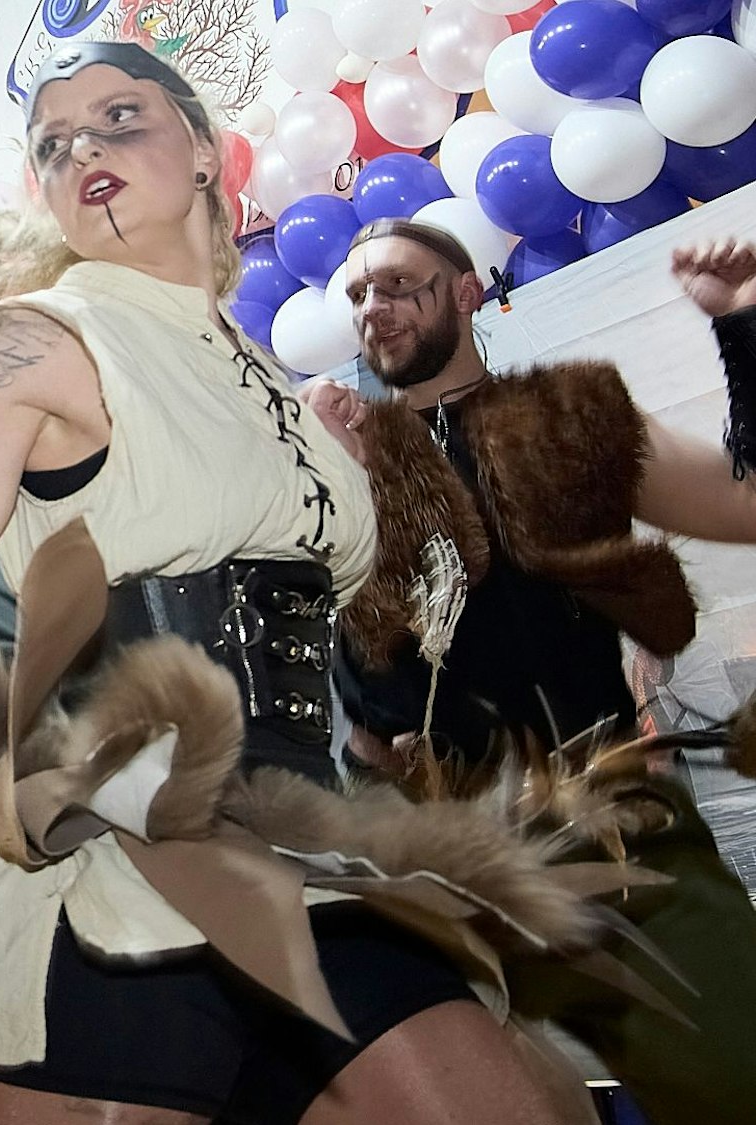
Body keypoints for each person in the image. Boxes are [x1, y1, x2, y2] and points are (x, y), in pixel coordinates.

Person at [0, 38, 611, 1125]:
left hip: (302, 828)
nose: (84, 150)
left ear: (207, 151)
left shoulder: (267, 378)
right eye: (53, 144)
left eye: (119, 119)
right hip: (125, 860)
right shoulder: (39, 337)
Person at [306, 222, 756, 1125]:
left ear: (467, 292)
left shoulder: (569, 417)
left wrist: (743, 328)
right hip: (419, 864)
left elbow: (745, 504)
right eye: (357, 296)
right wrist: (323, 465)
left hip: (602, 827)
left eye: (398, 285)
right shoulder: (332, 456)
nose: (374, 309)